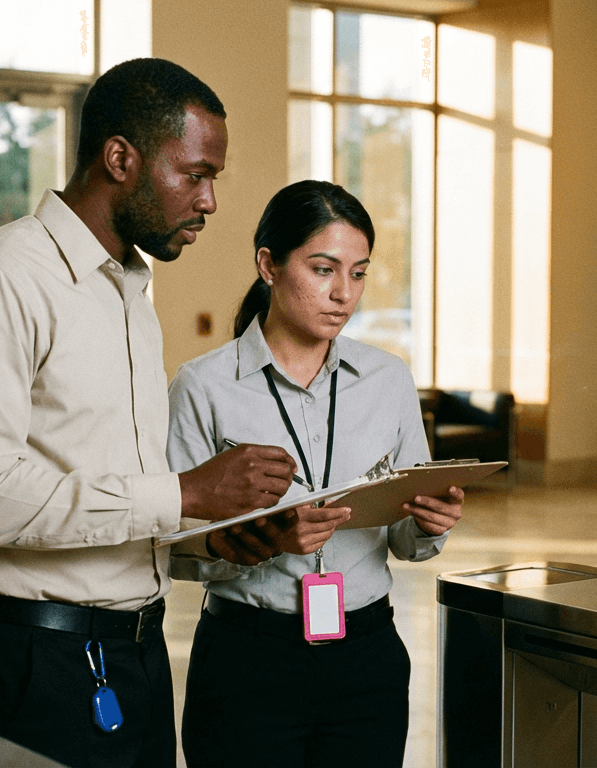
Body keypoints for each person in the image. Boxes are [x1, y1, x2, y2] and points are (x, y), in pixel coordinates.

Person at [0, 58, 300, 767]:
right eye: (196, 174)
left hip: (134, 656)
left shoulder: (126, 294)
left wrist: (206, 539)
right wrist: (185, 491)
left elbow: (107, 488)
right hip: (32, 661)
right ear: (120, 157)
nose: (210, 201)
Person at [167, 180, 466, 768]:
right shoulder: (203, 386)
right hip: (248, 657)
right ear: (268, 265)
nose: (343, 293)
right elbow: (173, 548)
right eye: (324, 269)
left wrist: (431, 524)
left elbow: (406, 543)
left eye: (358, 273)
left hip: (366, 658)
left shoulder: (388, 380)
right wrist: (264, 541)